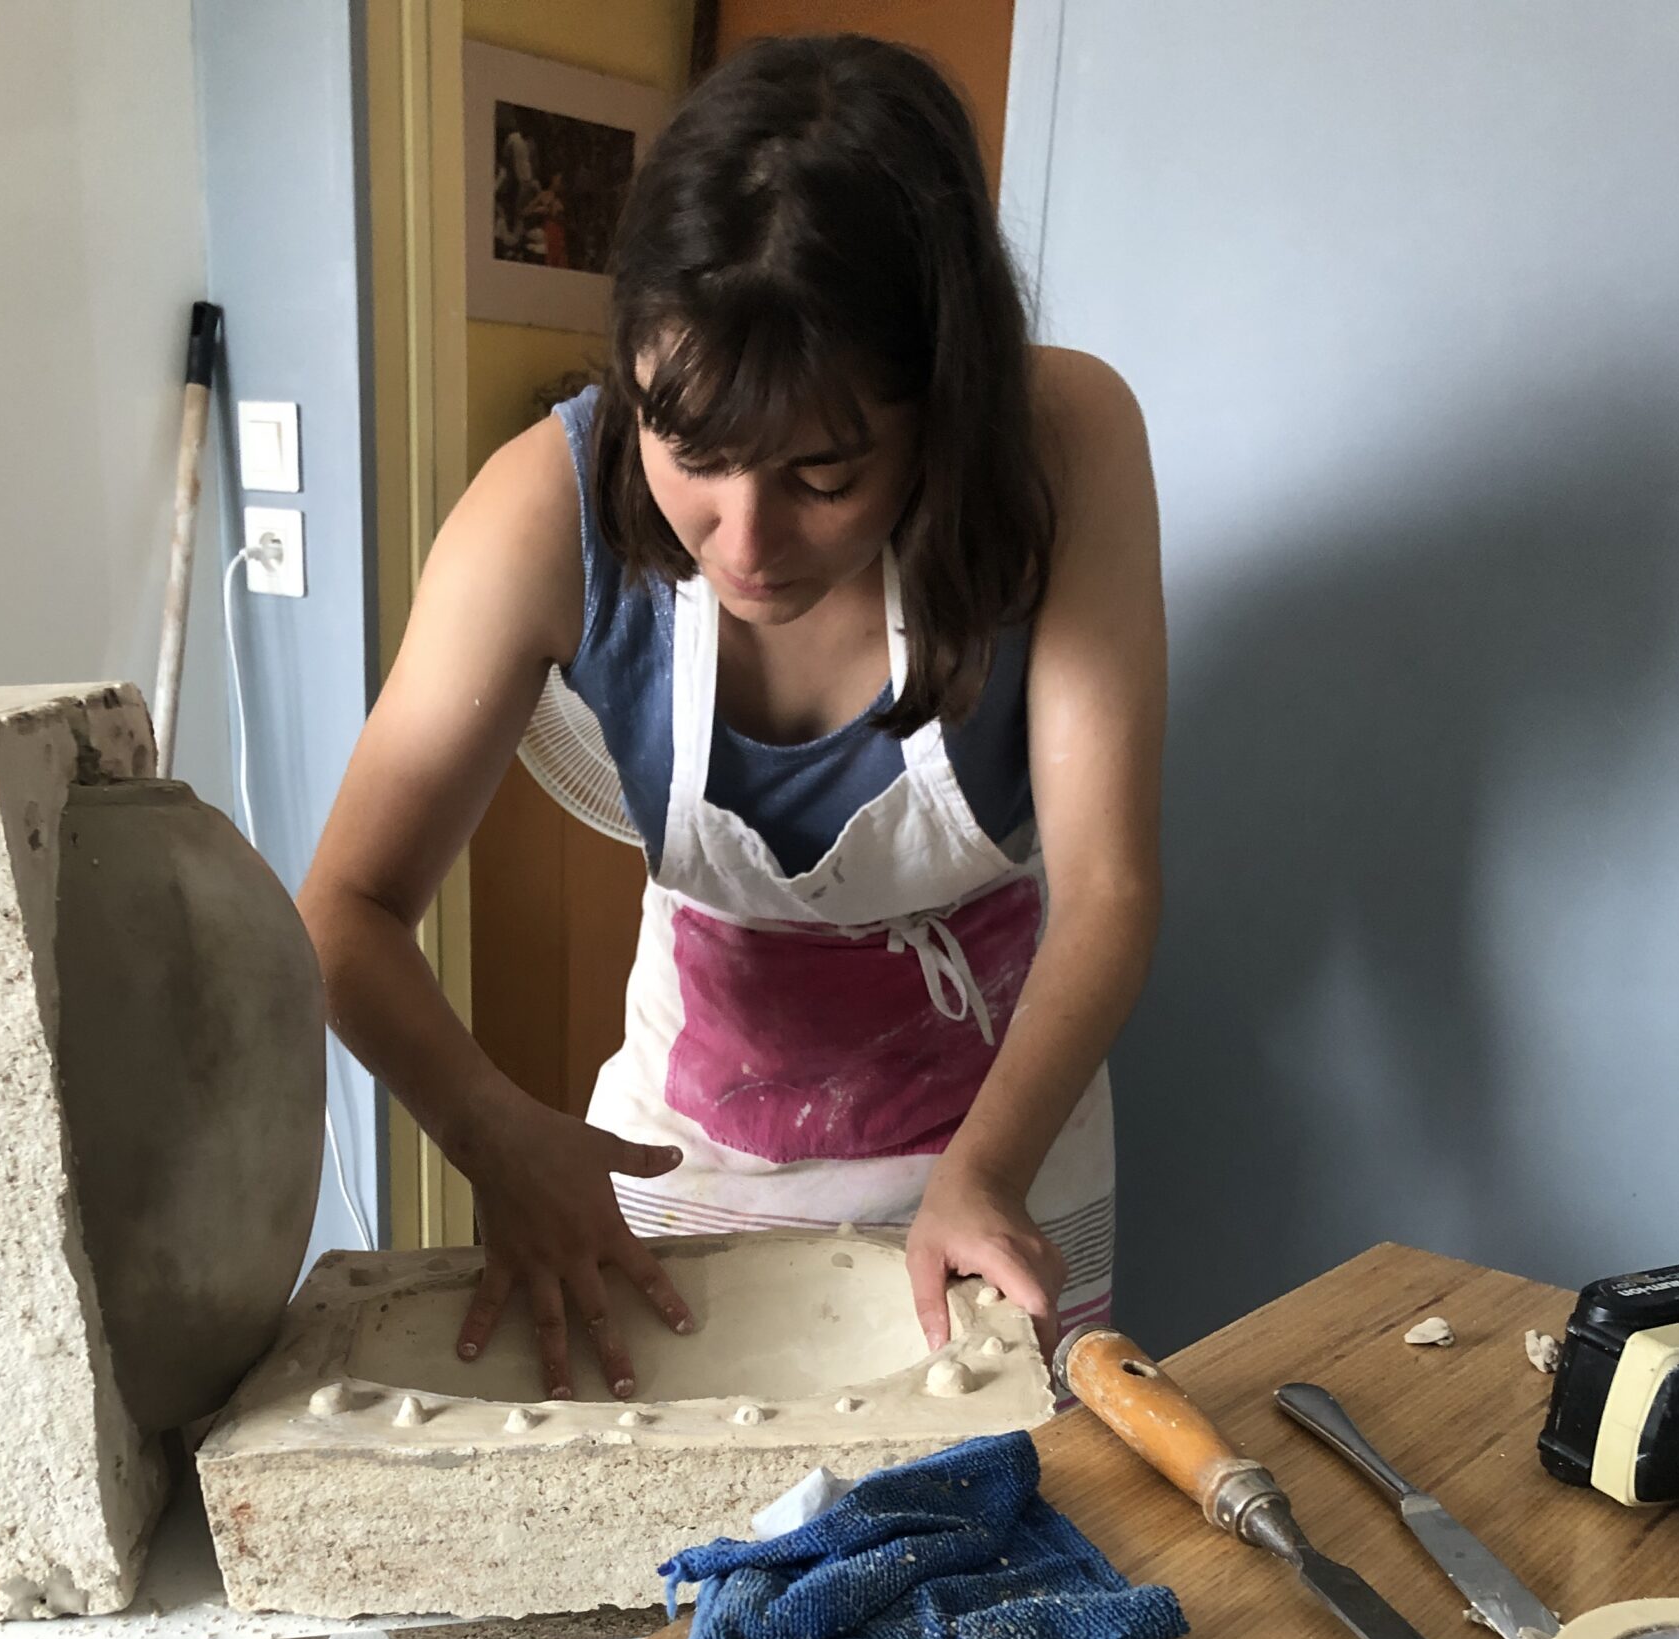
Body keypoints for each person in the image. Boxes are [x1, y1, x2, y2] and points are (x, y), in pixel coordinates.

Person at [300, 35, 1164, 1404]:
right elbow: (343, 911)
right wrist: (493, 1132)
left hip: (1001, 1149)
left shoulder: (1061, 445)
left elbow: (1108, 888)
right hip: (692, 1161)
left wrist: (985, 1174)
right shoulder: (541, 510)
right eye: (690, 450)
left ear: (943, 414)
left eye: (823, 476)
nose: (744, 543)